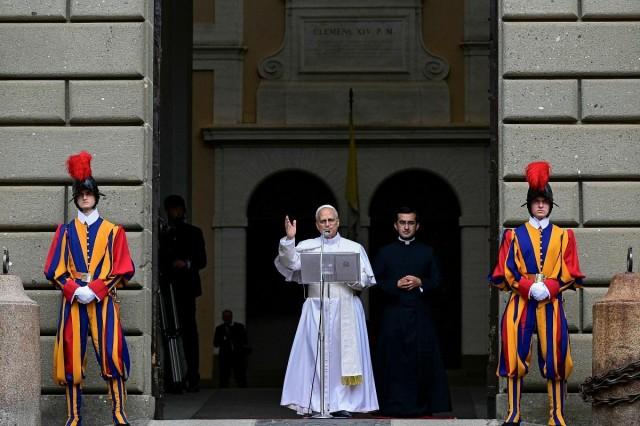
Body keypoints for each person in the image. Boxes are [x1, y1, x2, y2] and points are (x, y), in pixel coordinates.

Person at [489, 161, 584, 426]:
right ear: (529, 204)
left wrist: (550, 287)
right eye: (536, 201)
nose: (540, 205)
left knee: (556, 356)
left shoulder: (565, 236)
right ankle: (513, 413)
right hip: (520, 301)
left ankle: (557, 415)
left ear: (550, 205)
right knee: (513, 354)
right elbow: (506, 270)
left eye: (545, 201)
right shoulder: (514, 236)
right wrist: (529, 287)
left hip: (551, 303)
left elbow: (571, 271)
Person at [44, 151, 135, 426]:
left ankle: (119, 414)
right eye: (81, 193)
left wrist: (95, 289)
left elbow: (122, 268)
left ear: (96, 196)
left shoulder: (113, 231)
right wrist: (73, 289)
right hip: (73, 302)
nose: (85, 196)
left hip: (103, 299)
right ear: (75, 197)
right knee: (71, 358)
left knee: (112, 353)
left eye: (89, 192)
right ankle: (73, 417)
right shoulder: (65, 232)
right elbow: (54, 270)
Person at [274, 204, 378, 416]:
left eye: (331, 220)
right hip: (316, 308)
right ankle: (317, 404)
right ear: (317, 224)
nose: (327, 224)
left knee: (341, 358)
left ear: (338, 222)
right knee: (315, 357)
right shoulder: (307, 245)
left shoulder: (353, 247)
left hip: (346, 307)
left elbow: (367, 280)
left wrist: (350, 277)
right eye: (323, 221)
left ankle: (343, 405)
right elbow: (290, 264)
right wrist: (289, 240)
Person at [373, 206, 451, 417]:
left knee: (420, 361)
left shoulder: (428, 251)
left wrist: (420, 282)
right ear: (395, 225)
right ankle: (391, 405)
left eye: (410, 223)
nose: (406, 227)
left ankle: (421, 406)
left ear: (417, 226)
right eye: (402, 223)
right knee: (393, 361)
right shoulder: (385, 252)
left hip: (420, 315)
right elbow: (374, 283)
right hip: (393, 315)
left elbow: (439, 282)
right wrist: (395, 284)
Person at [159, 194, 207, 392]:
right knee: (169, 333)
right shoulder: (164, 234)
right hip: (169, 288)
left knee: (189, 333)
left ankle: (192, 376)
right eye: (171, 209)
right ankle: (173, 379)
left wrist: (185, 263)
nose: (174, 213)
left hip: (187, 288)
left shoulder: (194, 232)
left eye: (177, 208)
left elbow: (201, 260)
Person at [213, 309, 249, 387]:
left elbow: (244, 340)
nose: (227, 318)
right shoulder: (219, 329)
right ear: (223, 318)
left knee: (240, 374)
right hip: (225, 356)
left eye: (228, 316)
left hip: (238, 355)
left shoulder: (239, 327)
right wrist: (224, 338)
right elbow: (215, 343)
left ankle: (243, 390)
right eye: (225, 317)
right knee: (224, 376)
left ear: (231, 317)